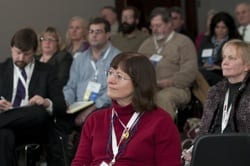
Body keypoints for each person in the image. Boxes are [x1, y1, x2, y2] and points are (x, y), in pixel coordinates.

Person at [71, 52, 181, 166]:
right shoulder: (95, 119)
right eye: (110, 73)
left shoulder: (161, 122)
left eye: (119, 76)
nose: (110, 80)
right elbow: (80, 162)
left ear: (139, 83)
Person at [0, 28, 66, 166]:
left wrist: (46, 102)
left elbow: (61, 106)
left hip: (34, 127)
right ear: (11, 48)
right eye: (17, 53)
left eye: (26, 54)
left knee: (38, 111)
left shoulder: (47, 71)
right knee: (4, 135)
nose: (21, 58)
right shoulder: (2, 69)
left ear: (35, 51)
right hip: (7, 124)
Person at [183, 39, 250, 164]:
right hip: (214, 147)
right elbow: (205, 127)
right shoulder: (215, 91)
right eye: (224, 57)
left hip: (241, 151)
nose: (225, 62)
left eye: (232, 58)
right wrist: (194, 149)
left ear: (247, 65)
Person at [138, 7, 198, 119]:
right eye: (152, 26)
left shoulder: (183, 42)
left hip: (177, 88)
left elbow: (190, 71)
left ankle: (165, 133)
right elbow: (137, 67)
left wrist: (170, 82)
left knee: (163, 97)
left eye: (158, 25)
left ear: (170, 24)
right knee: (133, 96)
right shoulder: (146, 44)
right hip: (150, 88)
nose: (155, 29)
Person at [63, 17, 120, 126]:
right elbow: (70, 86)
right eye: (91, 32)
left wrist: (92, 109)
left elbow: (116, 90)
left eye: (98, 32)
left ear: (108, 35)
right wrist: (66, 103)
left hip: (103, 107)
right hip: (78, 107)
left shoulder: (117, 57)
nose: (94, 35)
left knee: (91, 119)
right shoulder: (80, 59)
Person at [36, 26, 73, 166]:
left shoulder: (63, 57)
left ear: (58, 43)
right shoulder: (34, 59)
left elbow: (61, 80)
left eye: (52, 40)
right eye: (44, 39)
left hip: (54, 101)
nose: (47, 42)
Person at [198, 12, 242, 86]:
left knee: (203, 76)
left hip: (223, 75)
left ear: (229, 28)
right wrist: (203, 65)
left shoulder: (234, 42)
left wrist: (218, 67)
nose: (220, 30)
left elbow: (238, 64)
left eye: (223, 27)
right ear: (213, 28)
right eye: (217, 27)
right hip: (204, 72)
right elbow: (198, 60)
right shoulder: (205, 41)